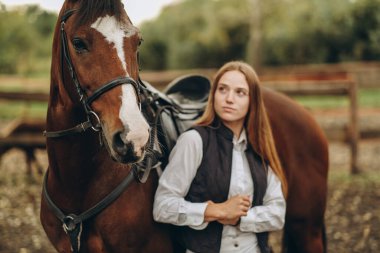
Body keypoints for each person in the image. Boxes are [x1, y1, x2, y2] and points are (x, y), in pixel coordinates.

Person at [153, 61, 288, 253]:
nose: (229, 99)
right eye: (223, 89)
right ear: (213, 95)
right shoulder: (193, 141)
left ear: (253, 101)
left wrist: (241, 218)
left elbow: (277, 214)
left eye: (240, 92)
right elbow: (162, 206)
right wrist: (215, 211)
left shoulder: (260, 146)